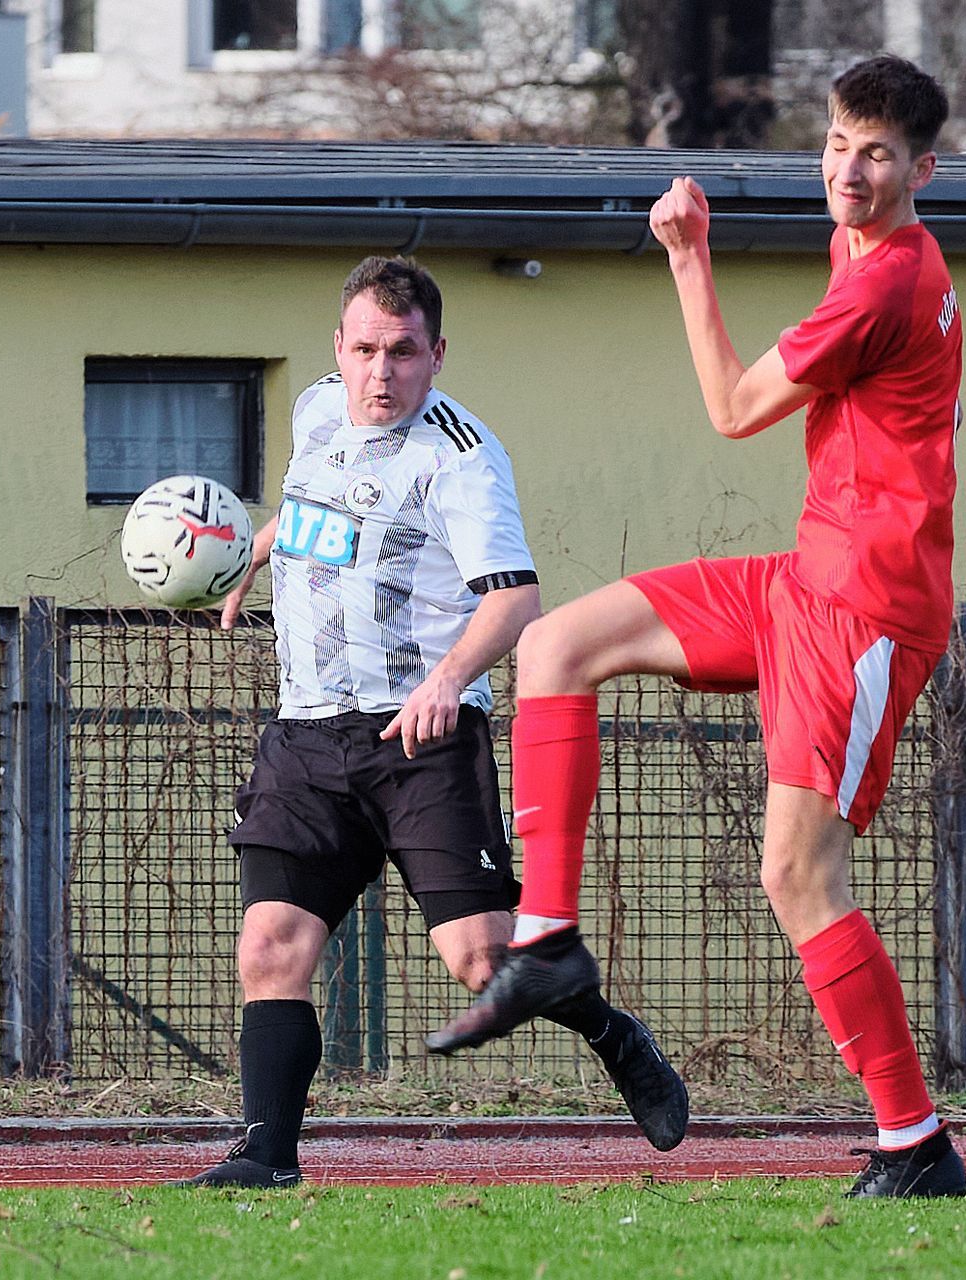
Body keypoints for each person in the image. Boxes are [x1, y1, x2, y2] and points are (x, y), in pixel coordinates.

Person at [427, 57, 966, 1199]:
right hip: (805, 576)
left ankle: (915, 1142)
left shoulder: (884, 283)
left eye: (877, 154)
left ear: (922, 170)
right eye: (837, 144)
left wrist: (686, 255)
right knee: (556, 645)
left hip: (865, 609)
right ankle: (549, 940)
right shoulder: (865, 249)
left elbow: (731, 409)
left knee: (797, 874)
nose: (849, 171)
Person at [176, 256, 689, 1188]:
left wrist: (449, 678)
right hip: (306, 734)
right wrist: (250, 553)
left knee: (481, 960)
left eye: (404, 353)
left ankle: (610, 1030)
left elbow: (516, 600)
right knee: (270, 945)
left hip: (421, 742)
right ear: (338, 347)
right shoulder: (317, 410)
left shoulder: (461, 458)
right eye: (366, 349)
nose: (383, 372)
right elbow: (309, 509)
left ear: (437, 354)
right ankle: (267, 1158)